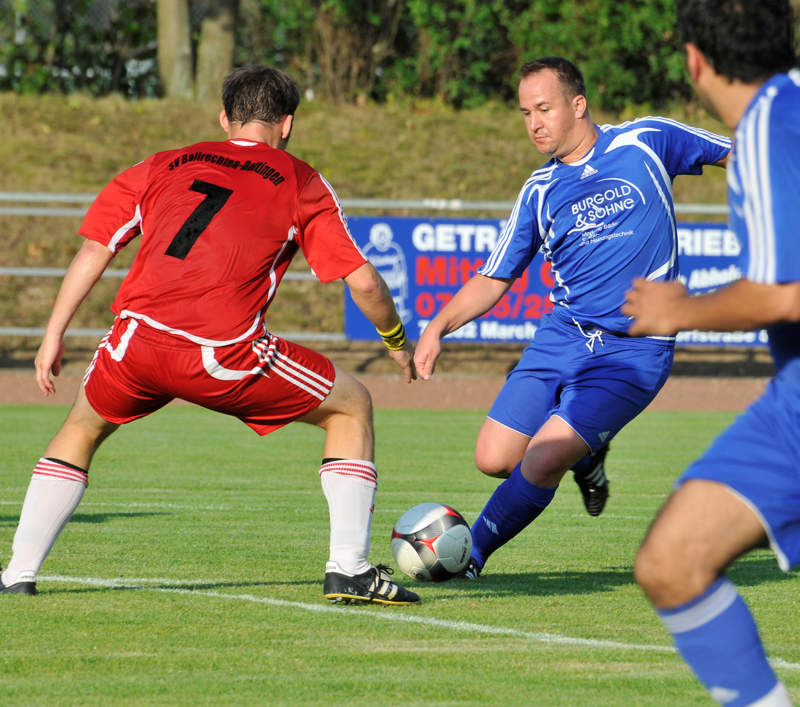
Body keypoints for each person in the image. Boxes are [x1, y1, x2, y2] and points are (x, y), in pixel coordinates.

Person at [0, 65, 419, 606]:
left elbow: (95, 248)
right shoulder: (300, 179)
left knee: (81, 428)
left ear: (224, 119)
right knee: (352, 405)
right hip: (221, 352)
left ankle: (17, 573)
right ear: (287, 124)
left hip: (135, 343)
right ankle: (350, 569)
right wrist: (395, 340)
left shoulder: (162, 163)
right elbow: (363, 281)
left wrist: (52, 334)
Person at [413, 56, 730, 579]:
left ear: (578, 104)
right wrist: (436, 327)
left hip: (634, 351)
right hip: (562, 337)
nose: (534, 123)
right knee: (494, 459)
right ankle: (587, 457)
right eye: (525, 113)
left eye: (544, 109)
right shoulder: (539, 190)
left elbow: (735, 154)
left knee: (541, 459)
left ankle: (470, 559)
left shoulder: (646, 140)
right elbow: (494, 277)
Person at [622, 1, 799, 703]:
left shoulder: (767, 124)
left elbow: (785, 294)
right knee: (672, 560)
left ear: (695, 59)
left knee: (674, 561)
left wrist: (681, 310)